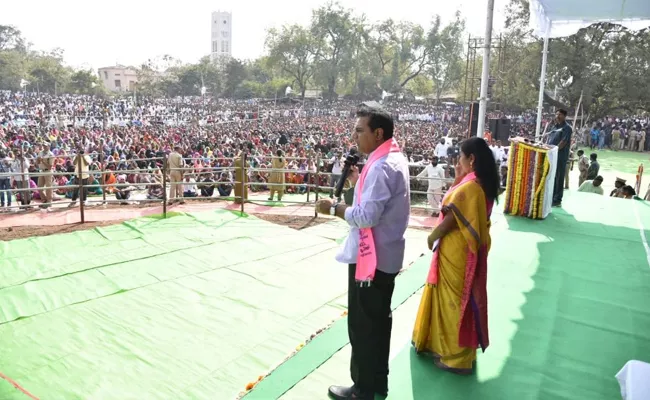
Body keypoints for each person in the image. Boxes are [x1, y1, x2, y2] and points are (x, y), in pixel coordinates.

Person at [315, 106, 410, 400]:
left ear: (377, 133)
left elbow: (367, 216)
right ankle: (376, 384)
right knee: (378, 322)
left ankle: (363, 390)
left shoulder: (381, 166)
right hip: (385, 256)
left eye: (359, 131)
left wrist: (335, 208)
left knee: (364, 325)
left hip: (372, 260)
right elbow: (376, 203)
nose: (354, 136)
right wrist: (358, 183)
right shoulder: (392, 158)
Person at [412, 137, 499, 375]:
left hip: (458, 252)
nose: (457, 162)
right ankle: (449, 349)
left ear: (471, 159)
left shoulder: (471, 187)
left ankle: (457, 359)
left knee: (454, 303)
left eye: (460, 157)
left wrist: (433, 236)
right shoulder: (480, 182)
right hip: (464, 250)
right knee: (459, 299)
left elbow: (453, 217)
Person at [548, 109, 572, 207]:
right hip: (551, 155)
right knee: (551, 176)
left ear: (565, 116)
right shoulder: (554, 127)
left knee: (558, 177)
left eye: (560, 114)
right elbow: (550, 139)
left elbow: (563, 142)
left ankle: (557, 199)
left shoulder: (567, 128)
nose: (558, 116)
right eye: (557, 114)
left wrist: (555, 150)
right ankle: (551, 196)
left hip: (560, 156)